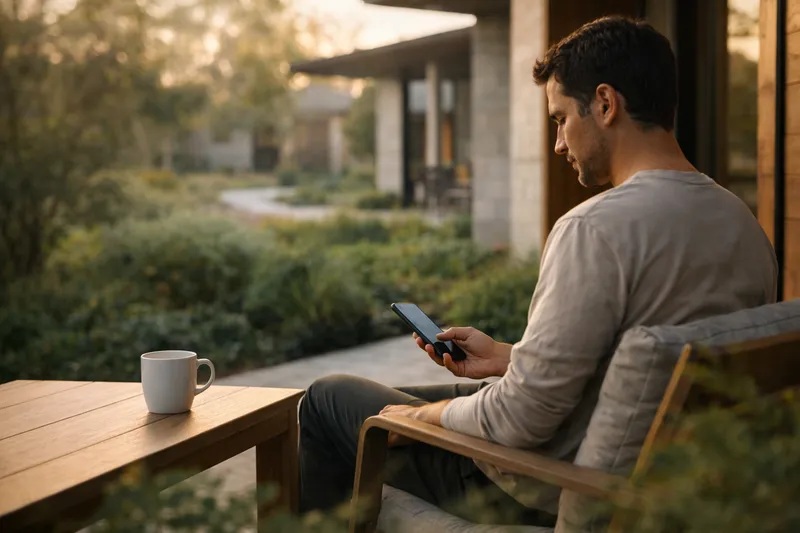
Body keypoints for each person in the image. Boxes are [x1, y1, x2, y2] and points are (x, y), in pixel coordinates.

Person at [297, 15, 778, 526]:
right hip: (665, 481)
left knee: (329, 398)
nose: (558, 145)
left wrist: (416, 419)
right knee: (428, 399)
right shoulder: (742, 223)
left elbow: (518, 419)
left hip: (536, 482)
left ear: (606, 104)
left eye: (560, 119)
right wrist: (509, 358)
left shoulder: (594, 230)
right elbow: (633, 377)